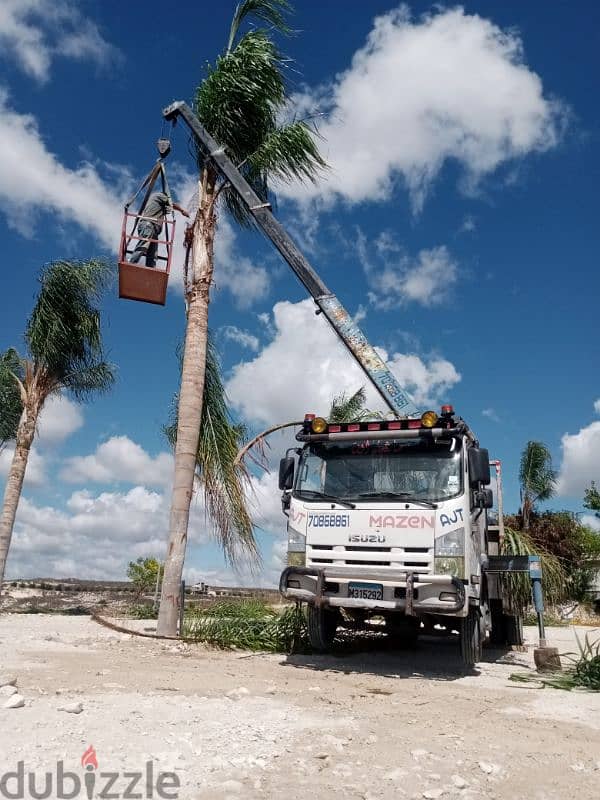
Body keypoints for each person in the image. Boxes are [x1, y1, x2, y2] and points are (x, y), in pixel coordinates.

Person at [129, 191, 189, 267]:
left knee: (152, 253)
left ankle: (150, 271)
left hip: (152, 229)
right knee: (143, 245)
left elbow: (167, 208)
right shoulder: (159, 195)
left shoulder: (157, 203)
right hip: (149, 225)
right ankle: (131, 263)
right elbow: (171, 204)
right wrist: (182, 211)